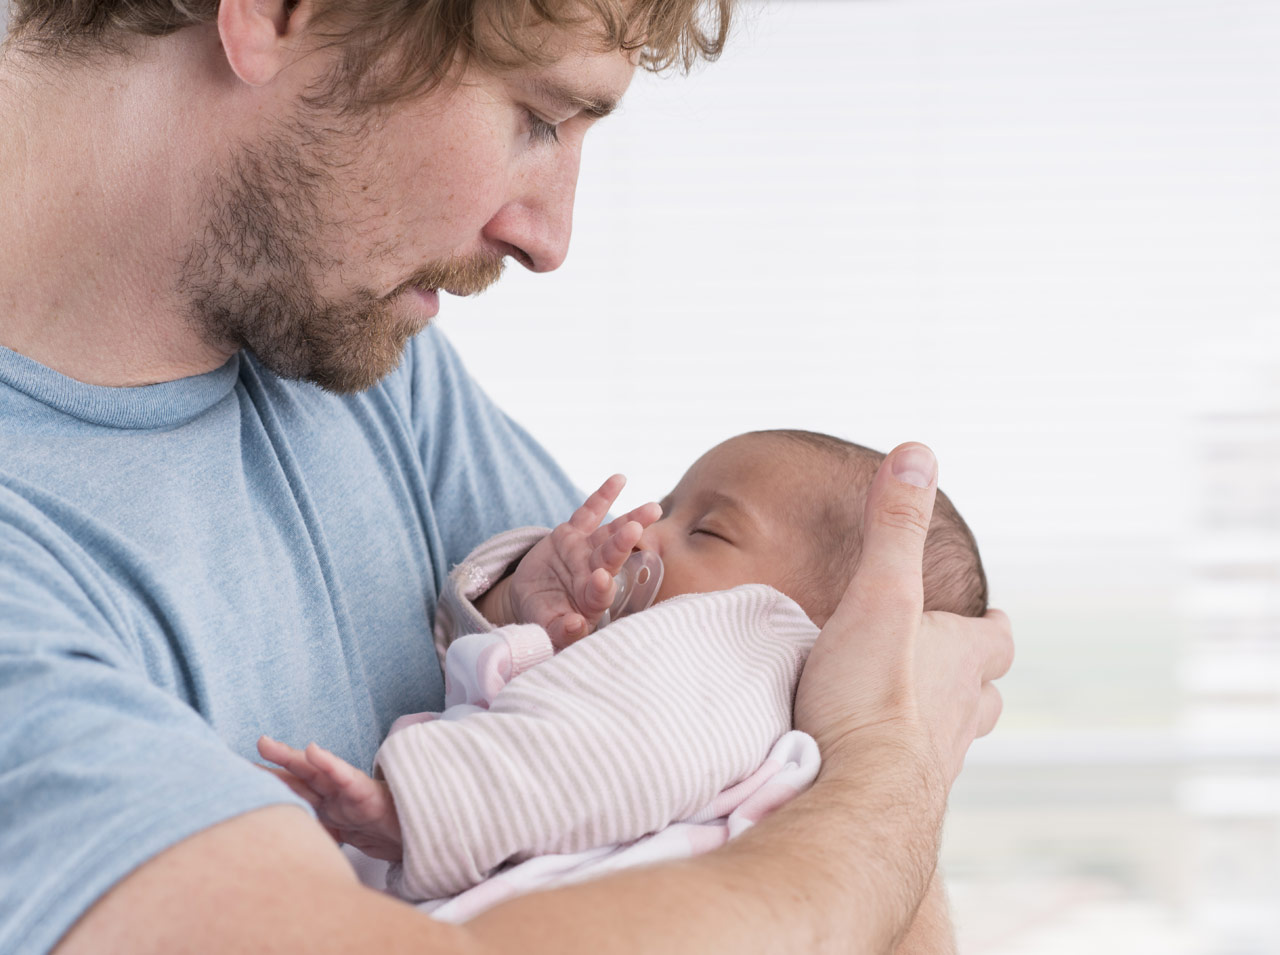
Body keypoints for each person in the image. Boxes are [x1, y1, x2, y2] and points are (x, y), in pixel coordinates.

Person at [0, 0, 1013, 952]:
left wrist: (858, 798)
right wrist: (884, 775)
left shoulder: (351, 358)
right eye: (535, 116)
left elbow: (769, 742)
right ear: (272, 10)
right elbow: (861, 789)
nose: (548, 239)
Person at [259, 429, 989, 922]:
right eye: (666, 505)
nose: (647, 532)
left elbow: (615, 750)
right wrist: (517, 604)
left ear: (831, 623)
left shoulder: (755, 639)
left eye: (706, 530)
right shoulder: (693, 693)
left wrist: (419, 808)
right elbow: (549, 717)